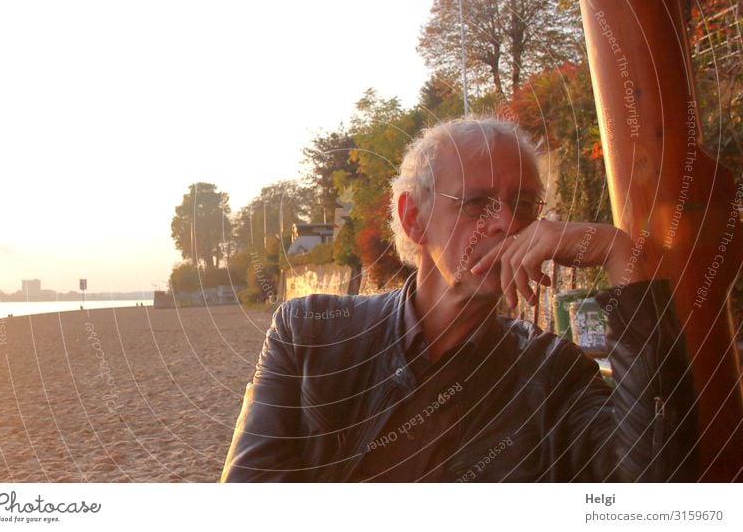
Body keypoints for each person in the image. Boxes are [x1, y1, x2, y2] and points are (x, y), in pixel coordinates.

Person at [221, 118, 696, 482]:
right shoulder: (311, 334)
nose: (506, 223)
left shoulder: (552, 375)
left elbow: (656, 479)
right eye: (477, 203)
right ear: (414, 219)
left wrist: (619, 254)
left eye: (526, 205)